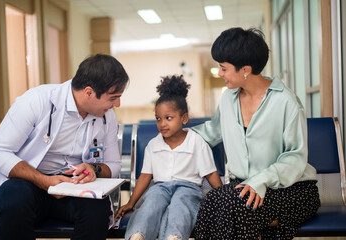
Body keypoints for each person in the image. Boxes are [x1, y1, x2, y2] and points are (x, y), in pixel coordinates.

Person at [192, 27, 320, 240]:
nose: (219, 73)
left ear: (245, 69)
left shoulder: (286, 102)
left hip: (290, 189)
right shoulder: (227, 99)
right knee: (213, 201)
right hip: (241, 188)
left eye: (223, 68)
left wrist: (260, 180)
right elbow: (211, 131)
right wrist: (175, 136)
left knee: (237, 210)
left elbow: (295, 157)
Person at [0, 54, 129, 240]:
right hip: (29, 185)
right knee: (12, 197)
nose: (117, 104)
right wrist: (43, 180)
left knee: (97, 208)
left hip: (74, 187)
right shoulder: (36, 101)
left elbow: (114, 165)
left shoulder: (106, 116)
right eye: (114, 97)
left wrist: (94, 168)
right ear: (88, 92)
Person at [115, 75, 222, 240]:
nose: (162, 123)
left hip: (189, 188)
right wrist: (131, 203)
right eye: (158, 118)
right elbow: (145, 176)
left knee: (182, 206)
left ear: (184, 118)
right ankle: (138, 235)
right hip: (160, 187)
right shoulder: (153, 145)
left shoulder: (196, 142)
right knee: (151, 203)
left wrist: (222, 199)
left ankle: (174, 236)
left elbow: (211, 173)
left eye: (168, 118)